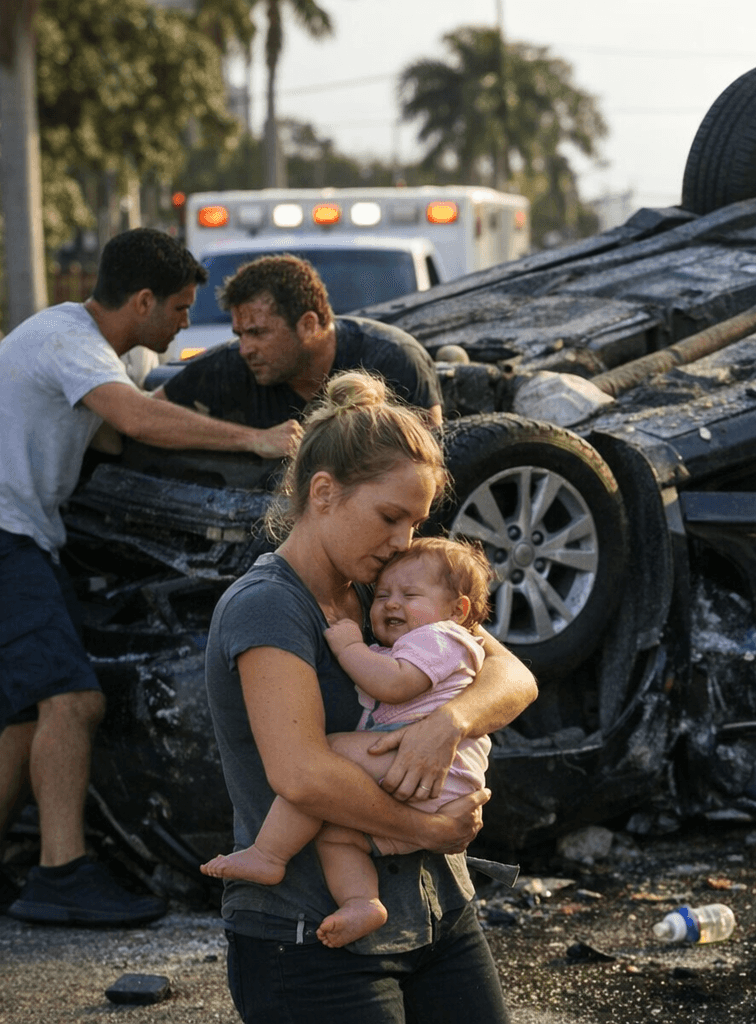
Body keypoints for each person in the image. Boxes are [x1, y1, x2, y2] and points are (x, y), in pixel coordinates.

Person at [0, 227, 302, 926]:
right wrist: (255, 440)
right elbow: (132, 420)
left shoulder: (116, 352)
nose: (187, 322)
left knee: (30, 718)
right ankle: (62, 875)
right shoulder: (67, 339)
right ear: (142, 301)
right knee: (73, 703)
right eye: (181, 307)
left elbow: (115, 431)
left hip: (11, 538)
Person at [205, 370, 535, 1022]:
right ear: (324, 493)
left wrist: (448, 723)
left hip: (440, 914)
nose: (403, 542)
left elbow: (513, 676)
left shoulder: (384, 588)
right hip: (314, 938)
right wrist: (430, 829)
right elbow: (301, 774)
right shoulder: (269, 606)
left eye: (415, 522)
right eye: (390, 517)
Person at [200, 536, 495, 949]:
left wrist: (350, 646)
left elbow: (392, 684)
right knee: (339, 837)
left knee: (332, 753)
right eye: (383, 595)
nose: (391, 604)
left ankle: (269, 853)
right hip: (432, 788)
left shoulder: (444, 637)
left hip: (436, 773)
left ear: (458, 610)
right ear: (323, 498)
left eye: (409, 596)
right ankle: (362, 902)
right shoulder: (268, 602)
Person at [156, 254, 443, 428]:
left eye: (258, 333)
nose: (245, 350)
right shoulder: (231, 365)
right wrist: (251, 440)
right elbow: (148, 414)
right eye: (240, 334)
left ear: (308, 325)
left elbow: (429, 465)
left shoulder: (393, 360)